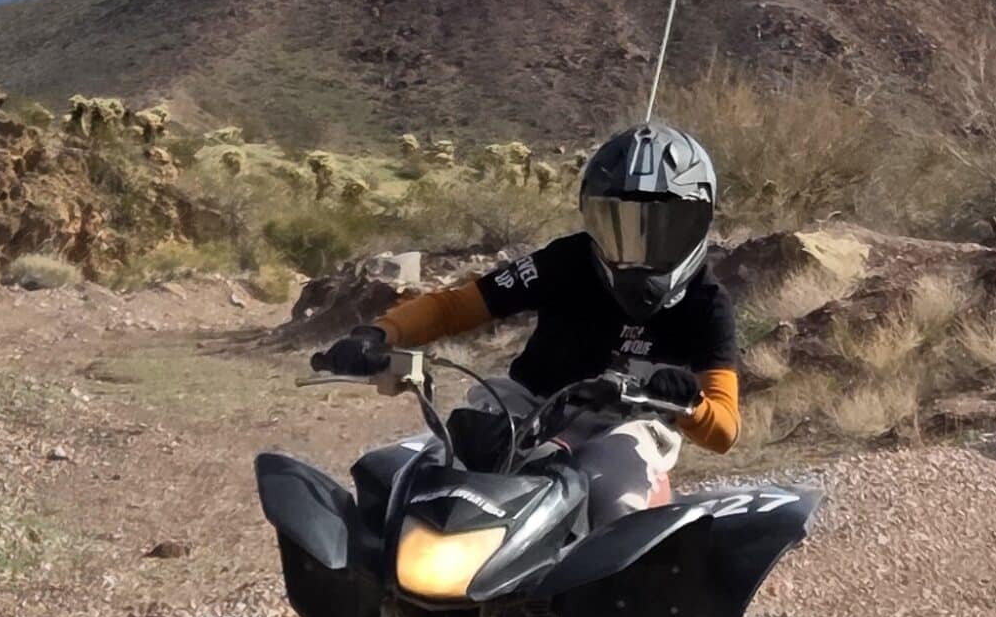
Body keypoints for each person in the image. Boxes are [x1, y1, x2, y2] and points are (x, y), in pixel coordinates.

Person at [312, 122, 740, 523]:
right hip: (527, 406)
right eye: (619, 225)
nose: (639, 247)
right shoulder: (565, 261)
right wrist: (379, 333)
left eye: (666, 226)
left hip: (627, 426)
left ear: (700, 222)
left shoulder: (707, 303)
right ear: (591, 217)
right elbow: (455, 306)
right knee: (429, 479)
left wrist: (690, 406)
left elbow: (724, 430)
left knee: (618, 505)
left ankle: (620, 602)